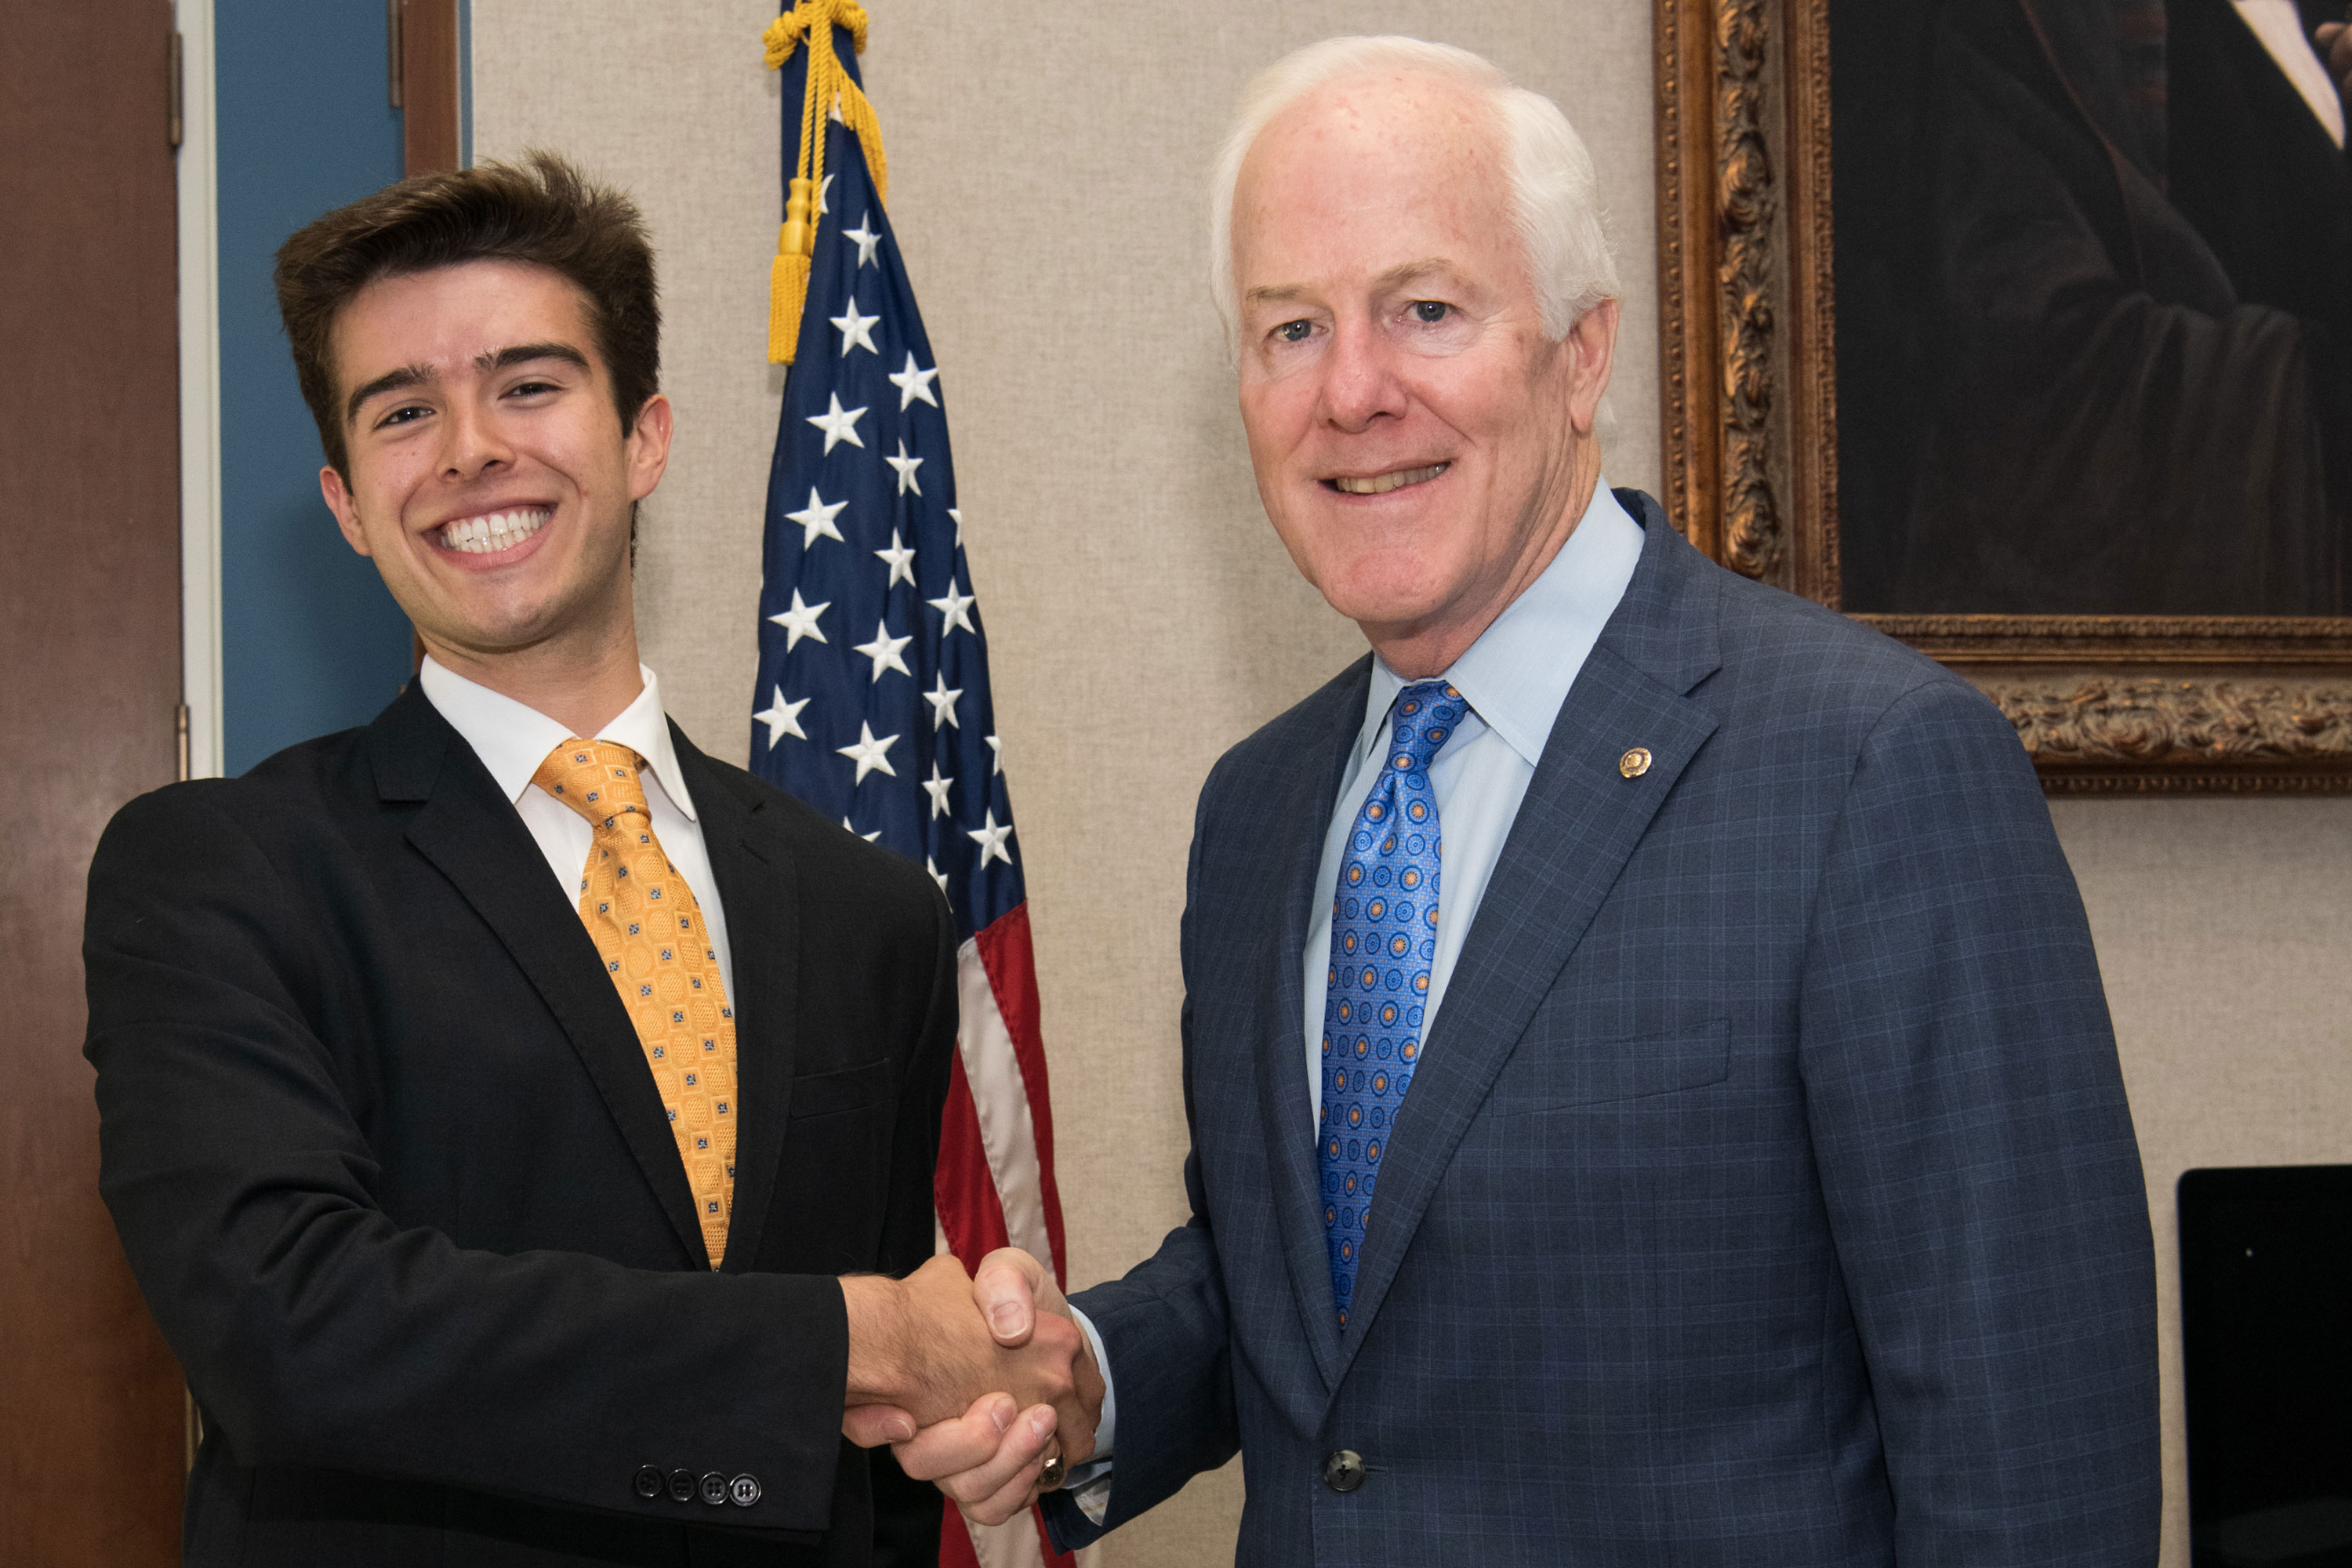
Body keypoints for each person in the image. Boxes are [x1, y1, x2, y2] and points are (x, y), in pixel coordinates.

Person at [854, 36, 2160, 1564]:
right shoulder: (1262, 810)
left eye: (1425, 309)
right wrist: (1085, 1372)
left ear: (1583, 349)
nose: (1352, 391)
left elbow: (2034, 1473)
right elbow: (1324, 1292)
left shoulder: (1871, 771)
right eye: (1290, 328)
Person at [82, 154, 1093, 1568]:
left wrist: (953, 1406)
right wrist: (849, 1337)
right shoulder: (218, 875)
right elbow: (290, 1326)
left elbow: (868, 1461)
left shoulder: (873, 912)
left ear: (646, 439)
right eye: (402, 411)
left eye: (531, 385)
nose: (470, 448)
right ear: (345, 502)